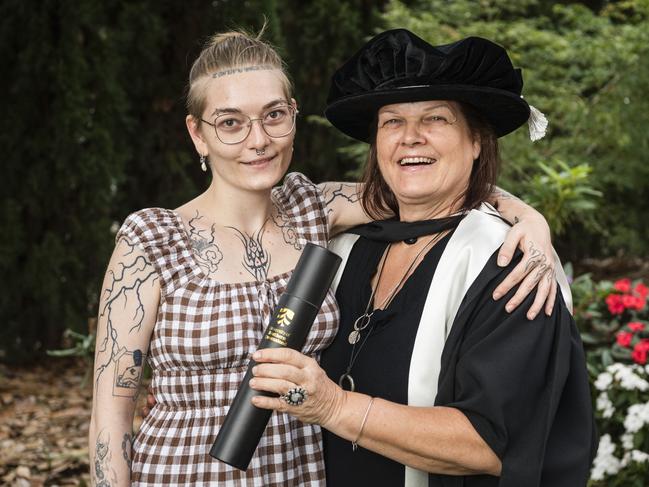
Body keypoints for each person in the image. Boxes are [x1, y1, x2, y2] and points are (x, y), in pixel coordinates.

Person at [89, 28, 561, 486]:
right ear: (198, 133)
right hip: (185, 473)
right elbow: (111, 414)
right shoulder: (150, 239)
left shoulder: (314, 209)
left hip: (303, 473)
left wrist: (529, 219)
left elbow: (434, 184)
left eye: (274, 115)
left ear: (293, 115)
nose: (258, 140)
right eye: (230, 122)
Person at [249, 29, 597, 487]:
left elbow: (492, 443)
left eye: (435, 119)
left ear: (477, 142)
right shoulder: (347, 249)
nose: (411, 137)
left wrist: (333, 405)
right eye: (392, 122)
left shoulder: (512, 265)